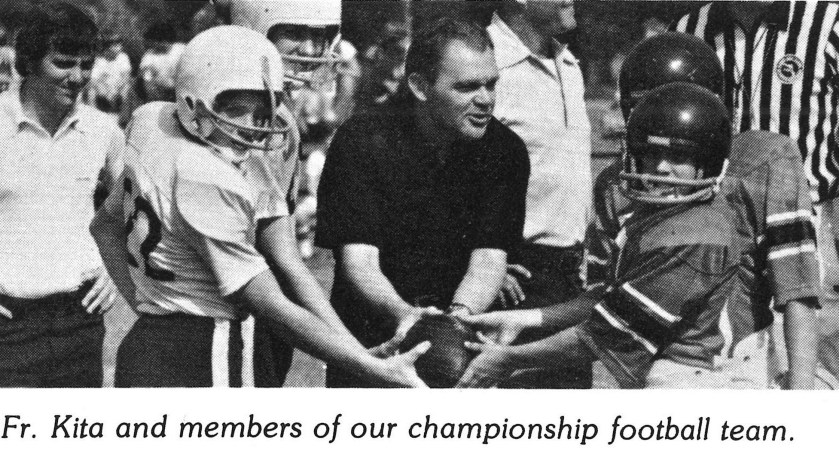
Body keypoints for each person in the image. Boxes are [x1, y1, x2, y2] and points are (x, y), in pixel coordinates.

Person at [89, 25, 428, 388]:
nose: (252, 127)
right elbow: (270, 304)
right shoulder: (210, 177)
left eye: (263, 111)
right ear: (193, 104)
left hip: (146, 343)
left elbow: (104, 226)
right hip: (208, 351)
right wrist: (365, 364)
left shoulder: (150, 124)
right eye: (236, 109)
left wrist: (149, 305)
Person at [458, 82, 763, 389]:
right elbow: (609, 301)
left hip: (685, 378)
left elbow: (611, 333)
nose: (661, 168)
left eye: (679, 157)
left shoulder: (697, 231)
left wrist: (509, 359)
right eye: (652, 153)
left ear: (708, 163)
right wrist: (525, 318)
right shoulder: (661, 215)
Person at [316, 17, 530, 387]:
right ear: (419, 86)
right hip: (373, 338)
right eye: (466, 87)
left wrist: (456, 321)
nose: (486, 99)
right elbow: (359, 260)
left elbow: (489, 258)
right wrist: (406, 315)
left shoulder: (505, 150)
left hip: (458, 339)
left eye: (491, 83)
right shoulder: (361, 140)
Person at [672, 1, 833, 387]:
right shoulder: (691, 28)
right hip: (717, 226)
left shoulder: (828, 23)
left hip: (809, 220)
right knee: (735, 363)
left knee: (814, 366)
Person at [217, 0, 363, 386]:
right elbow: (282, 258)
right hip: (234, 316)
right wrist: (352, 349)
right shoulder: (258, 121)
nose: (312, 50)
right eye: (295, 33)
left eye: (321, 36)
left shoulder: (276, 114)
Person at [0, 2, 123, 387]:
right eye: (63, 63)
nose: (77, 77)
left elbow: (137, 207)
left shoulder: (103, 131)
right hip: (9, 323)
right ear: (29, 63)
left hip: (80, 319)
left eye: (86, 65)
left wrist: (116, 267)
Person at [483, 0, 592, 388]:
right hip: (515, 280)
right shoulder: (483, 62)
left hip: (571, 276)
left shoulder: (569, 63)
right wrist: (479, 263)